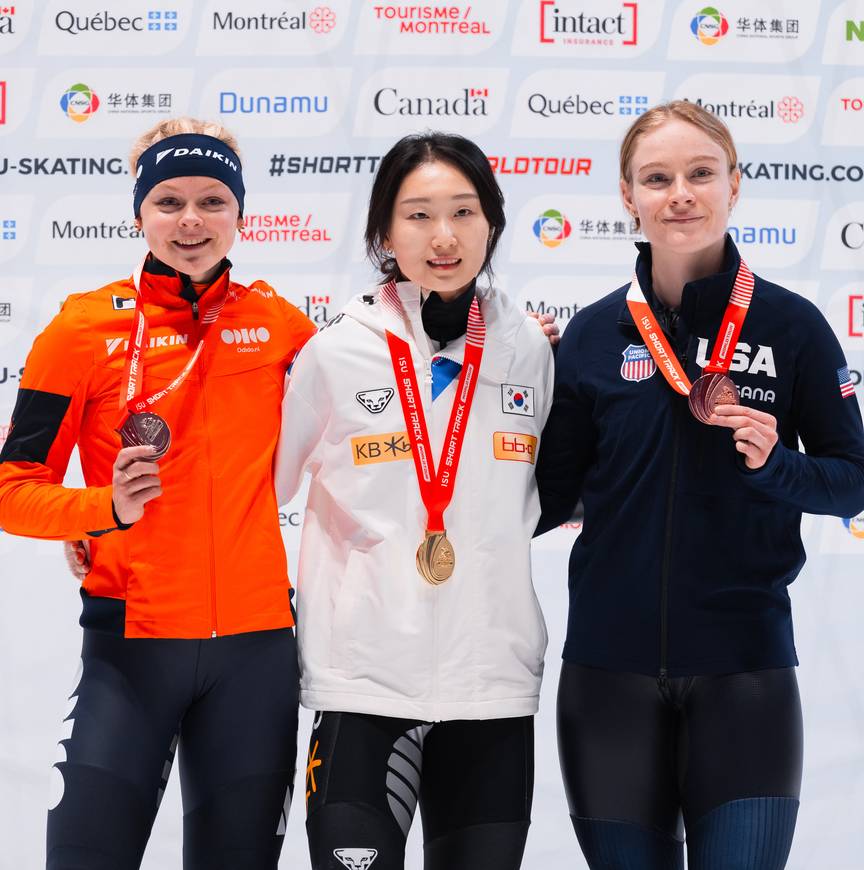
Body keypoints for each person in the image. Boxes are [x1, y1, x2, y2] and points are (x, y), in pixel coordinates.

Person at [535, 100, 864, 869]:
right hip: (607, 679)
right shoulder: (591, 335)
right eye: (657, 178)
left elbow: (852, 483)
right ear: (628, 198)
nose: (679, 193)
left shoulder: (792, 326)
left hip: (744, 676)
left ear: (735, 185)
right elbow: (541, 502)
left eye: (700, 173)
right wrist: (504, 387)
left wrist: (776, 463)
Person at [0, 117, 316, 869]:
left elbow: (391, 401)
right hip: (130, 652)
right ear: (138, 212)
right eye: (168, 201)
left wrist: (502, 339)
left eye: (213, 201)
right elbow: (13, 489)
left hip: (258, 652)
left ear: (242, 214)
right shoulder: (81, 329)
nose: (191, 221)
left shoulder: (279, 327)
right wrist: (101, 511)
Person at [274, 132, 555, 870]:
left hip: (490, 687)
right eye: (418, 214)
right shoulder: (335, 353)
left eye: (464, 212)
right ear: (382, 232)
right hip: (364, 682)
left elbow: (555, 492)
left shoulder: (528, 348)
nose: (443, 236)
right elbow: (259, 492)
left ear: (492, 222)